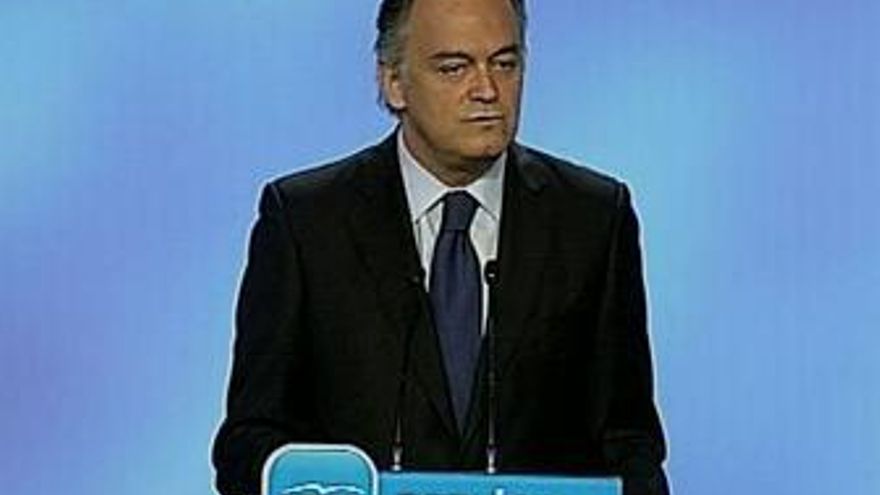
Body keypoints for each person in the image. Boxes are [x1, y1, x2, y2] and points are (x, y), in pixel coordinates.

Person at [212, 0, 669, 494]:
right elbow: (251, 442)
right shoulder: (306, 222)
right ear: (394, 82)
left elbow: (629, 443)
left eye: (505, 63)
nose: (487, 90)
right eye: (454, 68)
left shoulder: (593, 218)